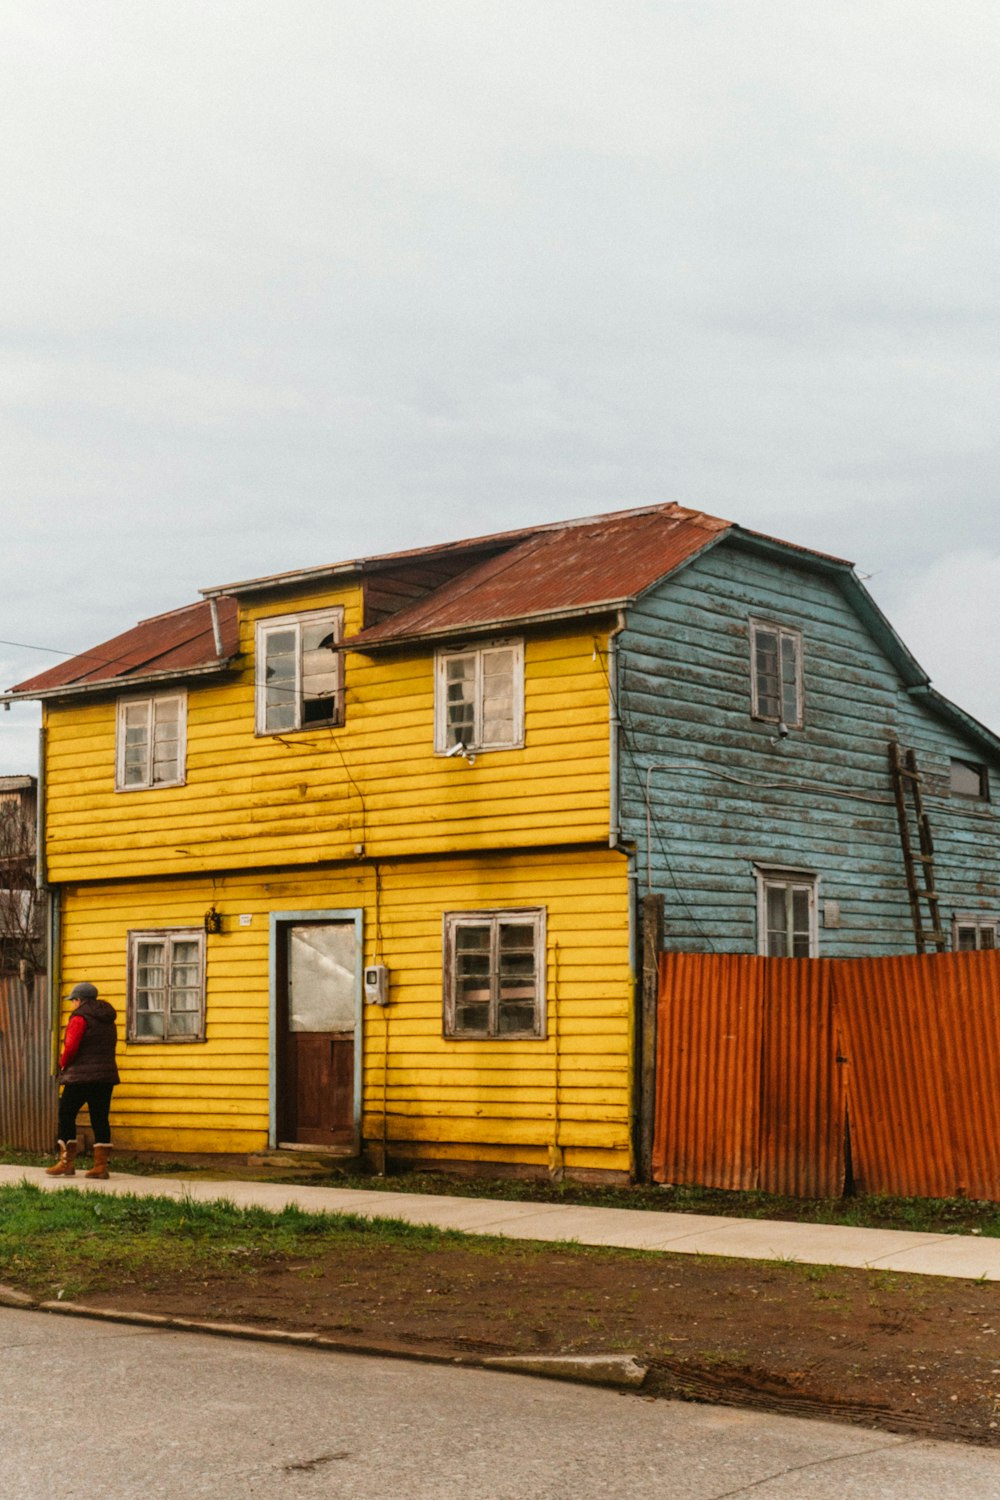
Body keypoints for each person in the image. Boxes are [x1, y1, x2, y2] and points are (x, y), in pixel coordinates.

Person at [45, 981, 120, 1179]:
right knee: (100, 1118)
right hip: (105, 1077)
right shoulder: (107, 1019)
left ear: (79, 1000)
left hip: (81, 1077)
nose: (72, 1004)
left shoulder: (79, 1018)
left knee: (66, 1114)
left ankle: (66, 1163)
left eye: (73, 1001)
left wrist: (62, 1064)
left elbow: (70, 1047)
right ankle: (100, 1167)